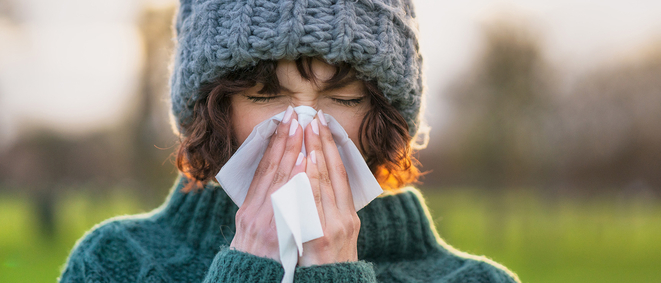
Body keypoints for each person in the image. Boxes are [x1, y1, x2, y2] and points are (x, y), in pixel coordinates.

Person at [59, 0, 520, 282]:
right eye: (266, 95)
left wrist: (333, 274)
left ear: (383, 113)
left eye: (343, 97)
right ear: (214, 108)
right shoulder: (115, 262)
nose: (305, 128)